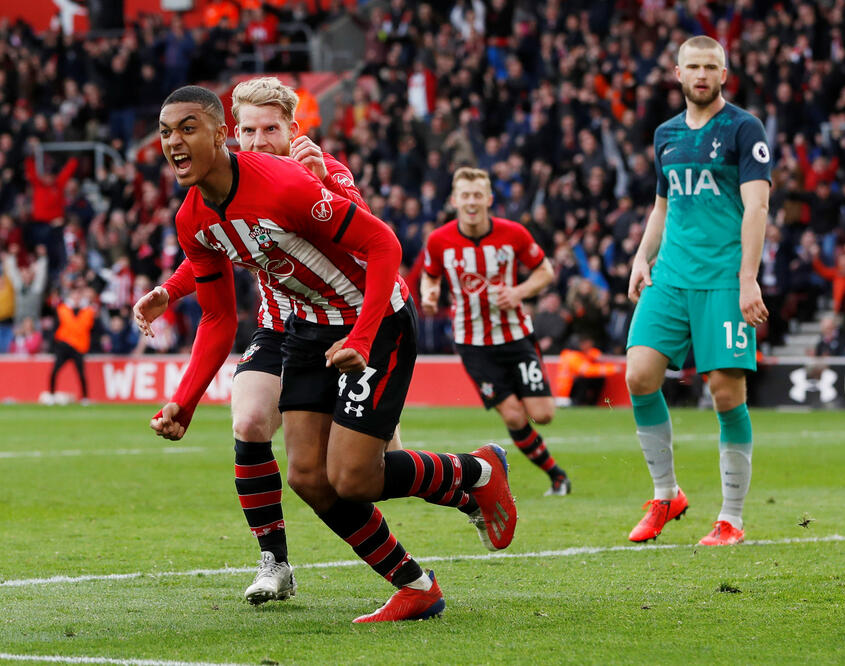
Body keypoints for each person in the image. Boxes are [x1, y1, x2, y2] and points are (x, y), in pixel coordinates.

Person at [138, 85, 516, 623]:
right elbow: (219, 316)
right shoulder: (192, 219)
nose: (174, 142)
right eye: (165, 132)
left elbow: (383, 242)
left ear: (220, 135)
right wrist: (186, 399)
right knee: (308, 477)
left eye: (188, 128)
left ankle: (476, 472)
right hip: (307, 330)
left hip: (376, 319)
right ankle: (416, 586)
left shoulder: (292, 181)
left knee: (355, 477)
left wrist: (362, 337)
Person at [135, 77, 407, 607]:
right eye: (249, 131)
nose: (258, 142)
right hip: (283, 323)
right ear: (231, 134)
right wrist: (171, 290)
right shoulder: (225, 186)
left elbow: (371, 239)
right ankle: (274, 562)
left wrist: (328, 184)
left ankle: (466, 476)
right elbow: (222, 242)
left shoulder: (316, 174)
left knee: (364, 474)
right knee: (249, 420)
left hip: (352, 321)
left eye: (270, 129)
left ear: (293, 130)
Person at [624, 36, 771, 546]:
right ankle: (667, 494)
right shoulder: (665, 134)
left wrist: (747, 278)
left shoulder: (743, 129)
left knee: (725, 393)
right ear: (679, 74)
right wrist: (642, 258)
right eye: (694, 66)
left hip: (723, 280)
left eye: (711, 66)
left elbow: (757, 207)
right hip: (671, 277)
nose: (702, 74)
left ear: (724, 74)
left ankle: (731, 518)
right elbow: (663, 206)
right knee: (639, 375)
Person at [420, 167, 571, 496]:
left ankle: (547, 466)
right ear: (454, 200)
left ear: (488, 199)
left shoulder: (513, 233)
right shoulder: (439, 240)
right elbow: (430, 275)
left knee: (543, 414)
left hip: (516, 335)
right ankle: (558, 477)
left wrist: (519, 292)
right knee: (515, 415)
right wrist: (429, 295)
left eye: (477, 195)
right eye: (465, 195)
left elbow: (545, 271)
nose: (471, 202)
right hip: (474, 344)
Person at [47, 287, 95, 404]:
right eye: (74, 296)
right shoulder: (62, 309)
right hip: (64, 345)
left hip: (79, 347)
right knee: (54, 371)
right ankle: (51, 395)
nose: (76, 298)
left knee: (81, 373)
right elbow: (55, 328)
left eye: (78, 296)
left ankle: (85, 397)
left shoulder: (88, 311)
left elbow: (92, 329)